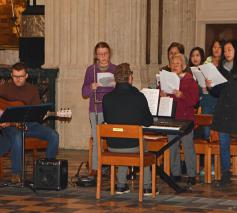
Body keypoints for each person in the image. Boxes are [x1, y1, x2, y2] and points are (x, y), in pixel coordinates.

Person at [0, 62, 59, 184]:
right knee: (17, 136)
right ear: (11, 75)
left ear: (26, 76)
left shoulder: (32, 90)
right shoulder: (5, 88)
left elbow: (37, 113)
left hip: (29, 125)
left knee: (54, 135)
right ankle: (16, 174)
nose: (18, 79)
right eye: (15, 76)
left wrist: (42, 115)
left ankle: (47, 170)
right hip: (11, 126)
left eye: (21, 76)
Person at [102, 63, 154, 195]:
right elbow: (148, 122)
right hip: (133, 145)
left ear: (116, 79)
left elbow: (108, 119)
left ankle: (121, 185)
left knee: (124, 141)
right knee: (144, 145)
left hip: (113, 145)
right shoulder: (138, 97)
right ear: (130, 78)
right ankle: (147, 186)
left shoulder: (106, 98)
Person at [160, 53, 199, 186]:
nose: (175, 66)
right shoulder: (166, 79)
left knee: (188, 147)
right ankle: (175, 173)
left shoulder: (190, 80)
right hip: (171, 119)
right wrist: (163, 94)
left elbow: (194, 101)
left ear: (184, 66)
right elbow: (163, 100)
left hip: (186, 119)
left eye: (178, 64)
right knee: (173, 147)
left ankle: (192, 174)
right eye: (173, 64)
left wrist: (182, 95)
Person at [82, 42, 116, 176]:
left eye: (105, 53)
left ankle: (112, 165)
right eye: (100, 54)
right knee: (97, 139)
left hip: (112, 110)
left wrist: (116, 85)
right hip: (96, 109)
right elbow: (84, 92)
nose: (103, 56)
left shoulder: (115, 69)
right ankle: (96, 169)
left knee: (114, 138)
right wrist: (91, 87)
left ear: (109, 54)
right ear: (96, 55)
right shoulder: (91, 70)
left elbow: (123, 89)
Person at [208, 40, 237, 186]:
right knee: (223, 143)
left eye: (229, 49)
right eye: (225, 50)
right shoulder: (220, 68)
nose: (226, 52)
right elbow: (217, 92)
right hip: (223, 110)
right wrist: (210, 86)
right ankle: (226, 174)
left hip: (235, 109)